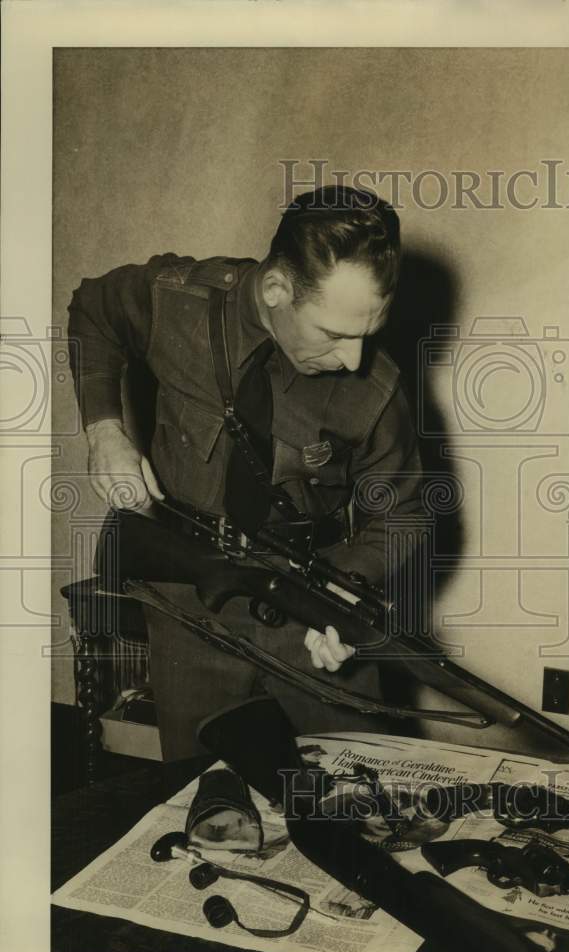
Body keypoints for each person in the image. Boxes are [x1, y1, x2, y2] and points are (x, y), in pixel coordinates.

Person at [68, 185, 423, 758]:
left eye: (368, 334)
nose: (353, 360)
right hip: (189, 605)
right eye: (334, 334)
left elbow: (403, 514)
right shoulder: (180, 303)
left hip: (310, 607)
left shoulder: (377, 387)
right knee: (206, 798)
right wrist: (104, 429)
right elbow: (95, 309)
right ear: (278, 289)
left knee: (365, 786)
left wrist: (342, 590)